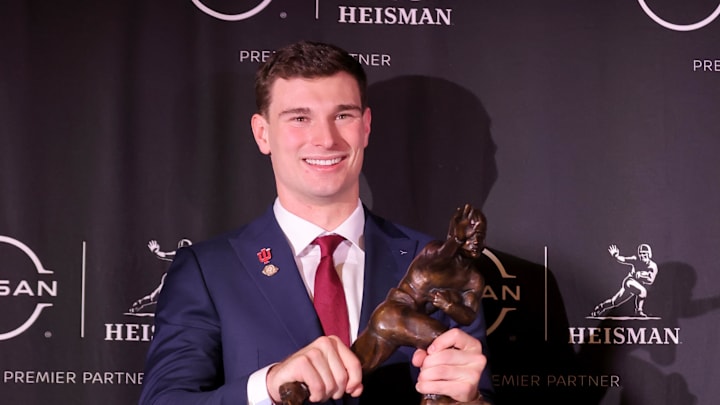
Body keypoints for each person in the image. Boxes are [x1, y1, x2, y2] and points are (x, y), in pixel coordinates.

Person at [139, 40, 494, 405]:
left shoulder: (431, 261)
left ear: (366, 126)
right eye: (299, 118)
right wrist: (270, 386)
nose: (325, 139)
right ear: (263, 133)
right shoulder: (208, 271)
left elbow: (473, 393)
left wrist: (468, 401)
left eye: (343, 116)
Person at [591, 243, 658, 317]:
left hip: (638, 285)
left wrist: (642, 276)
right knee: (643, 291)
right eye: (640, 254)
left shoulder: (653, 266)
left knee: (614, 302)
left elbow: (650, 281)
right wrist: (616, 255)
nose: (642, 256)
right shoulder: (636, 260)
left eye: (644, 253)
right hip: (630, 282)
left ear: (649, 254)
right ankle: (638, 310)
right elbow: (624, 259)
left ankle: (601, 307)